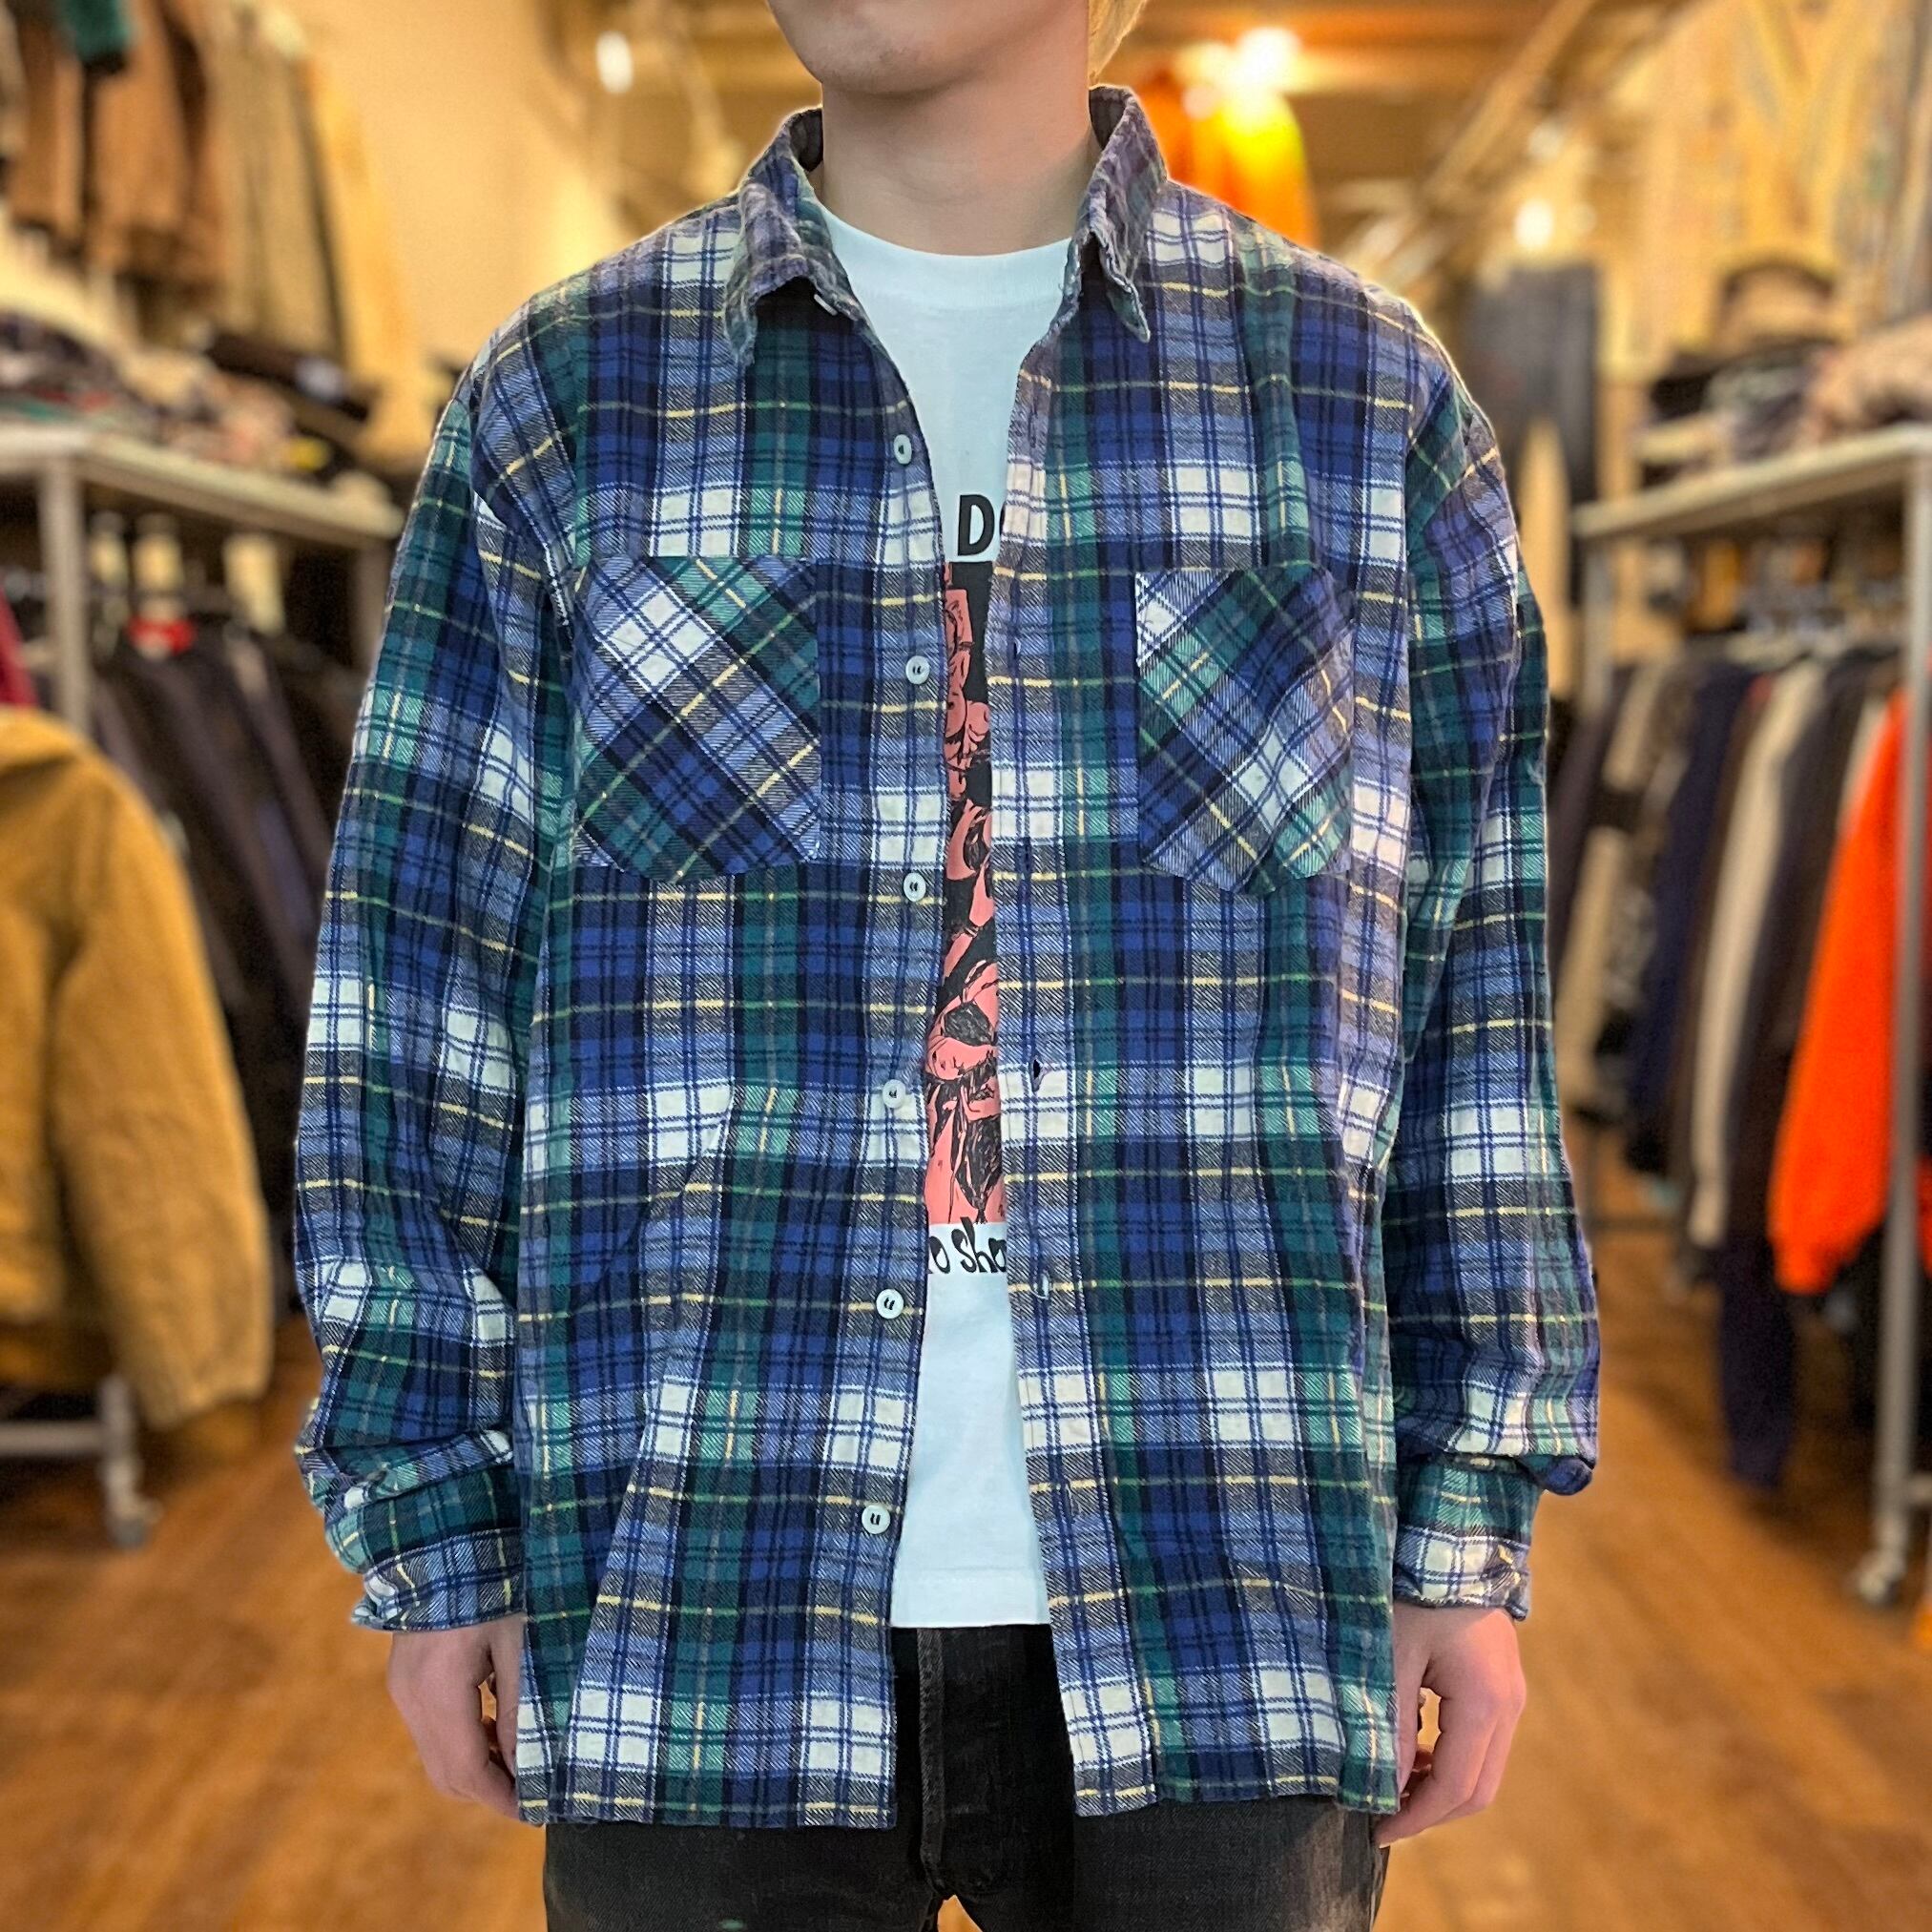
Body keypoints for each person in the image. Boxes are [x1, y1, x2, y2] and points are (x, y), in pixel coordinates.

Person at [290, 2, 1601, 1926]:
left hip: (1226, 1570)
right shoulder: (571, 401)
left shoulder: (1356, 402)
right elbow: (412, 999)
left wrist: (1463, 1519)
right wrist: (429, 1512)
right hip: (698, 1581)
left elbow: (1466, 1005)